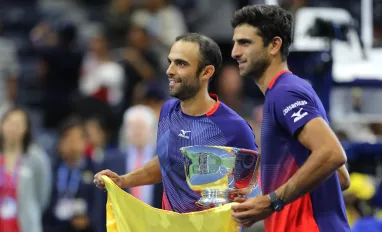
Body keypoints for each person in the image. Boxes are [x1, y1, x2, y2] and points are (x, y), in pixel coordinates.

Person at [94, 32, 259, 214]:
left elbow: (254, 187)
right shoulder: (168, 111)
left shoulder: (235, 126)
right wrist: (123, 181)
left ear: (206, 72)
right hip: (172, 230)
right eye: (170, 62)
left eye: (181, 64)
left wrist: (242, 200)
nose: (170, 70)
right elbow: (167, 162)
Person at [230, 5, 353, 232]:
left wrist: (272, 201)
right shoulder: (292, 89)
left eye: (245, 43)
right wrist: (263, 200)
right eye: (236, 43)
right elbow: (340, 178)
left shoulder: (285, 93)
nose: (235, 52)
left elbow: (332, 154)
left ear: (274, 45)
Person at [0, 107, 52, 232]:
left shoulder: (37, 157)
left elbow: (43, 196)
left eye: (18, 124)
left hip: (24, 229)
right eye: (9, 122)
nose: (13, 128)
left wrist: (30, 210)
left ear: (26, 129)